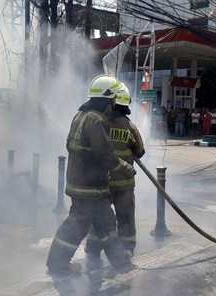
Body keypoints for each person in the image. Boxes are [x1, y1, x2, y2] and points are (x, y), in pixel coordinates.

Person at [46, 74, 136, 276]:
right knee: (87, 224)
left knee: (96, 222)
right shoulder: (96, 120)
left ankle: (117, 261)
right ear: (107, 100)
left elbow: (70, 145)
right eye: (113, 100)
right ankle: (58, 262)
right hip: (91, 186)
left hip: (79, 183)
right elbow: (105, 153)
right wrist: (124, 167)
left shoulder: (80, 116)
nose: (113, 105)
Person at [84, 85, 145, 269]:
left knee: (100, 216)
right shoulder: (129, 126)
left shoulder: (100, 124)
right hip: (124, 183)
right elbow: (140, 151)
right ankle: (126, 249)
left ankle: (93, 248)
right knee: (125, 217)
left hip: (103, 183)